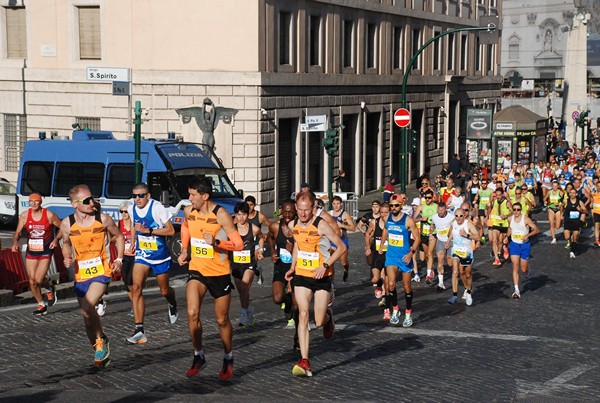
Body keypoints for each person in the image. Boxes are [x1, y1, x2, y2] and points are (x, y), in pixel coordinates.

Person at [177, 177, 244, 381]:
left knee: (222, 319)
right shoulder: (189, 211)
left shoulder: (221, 214)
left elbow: (239, 245)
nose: (189, 199)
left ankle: (228, 356)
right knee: (192, 312)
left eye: (193, 195)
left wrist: (217, 243)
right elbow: (186, 227)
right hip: (197, 269)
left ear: (205, 196)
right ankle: (198, 355)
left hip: (219, 272)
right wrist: (184, 249)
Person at [59, 185, 125, 368]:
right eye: (86, 200)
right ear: (74, 204)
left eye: (93, 199)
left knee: (88, 306)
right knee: (86, 315)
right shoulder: (66, 223)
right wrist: (67, 256)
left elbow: (119, 237)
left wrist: (119, 259)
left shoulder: (102, 219)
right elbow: (65, 243)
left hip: (101, 271)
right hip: (81, 274)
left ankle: (101, 342)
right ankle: (99, 344)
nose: (91, 203)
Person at [285, 192, 346, 377]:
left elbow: (341, 247)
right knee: (302, 315)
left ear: (313, 208)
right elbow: (297, 245)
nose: (303, 214)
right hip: (302, 276)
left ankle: (328, 317)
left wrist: (325, 265)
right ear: (296, 208)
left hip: (321, 277)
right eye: (300, 210)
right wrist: (292, 266)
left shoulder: (321, 225)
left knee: (318, 322)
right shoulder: (292, 224)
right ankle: (304, 361)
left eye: (307, 210)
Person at [126, 183, 178, 345]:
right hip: (142, 254)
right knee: (136, 287)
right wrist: (133, 242)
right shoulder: (131, 208)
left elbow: (170, 231)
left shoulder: (157, 208)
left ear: (147, 196)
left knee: (164, 290)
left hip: (159, 255)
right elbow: (135, 225)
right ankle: (139, 329)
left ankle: (172, 302)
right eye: (135, 196)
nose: (137, 199)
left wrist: (149, 231)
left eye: (141, 195)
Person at [12, 192, 62, 315]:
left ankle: (49, 289)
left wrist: (56, 240)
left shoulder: (49, 215)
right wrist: (14, 242)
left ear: (40, 202)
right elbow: (18, 232)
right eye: (31, 201)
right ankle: (41, 304)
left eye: (36, 201)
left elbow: (63, 227)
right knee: (32, 281)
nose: (33, 203)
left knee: (39, 279)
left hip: (45, 250)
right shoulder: (25, 215)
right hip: (32, 251)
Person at [379, 194, 421, 326]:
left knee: (406, 286)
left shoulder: (408, 220)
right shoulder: (388, 218)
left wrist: (411, 253)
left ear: (401, 206)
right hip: (391, 256)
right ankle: (396, 309)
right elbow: (386, 231)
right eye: (391, 205)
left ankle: (408, 312)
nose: (394, 207)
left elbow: (417, 238)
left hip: (404, 257)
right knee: (390, 284)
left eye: (396, 205)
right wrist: (382, 244)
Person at [231, 202, 264, 326]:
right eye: (238, 215)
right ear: (235, 215)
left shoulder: (254, 228)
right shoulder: (232, 229)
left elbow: (261, 238)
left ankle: (244, 313)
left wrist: (260, 250)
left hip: (249, 263)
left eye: (243, 214)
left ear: (247, 215)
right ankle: (248, 309)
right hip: (235, 264)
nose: (241, 218)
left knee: (245, 287)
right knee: (241, 292)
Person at [267, 199, 297, 328]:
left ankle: (294, 320)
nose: (287, 215)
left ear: (295, 211)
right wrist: (273, 251)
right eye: (285, 212)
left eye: (290, 212)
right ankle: (287, 303)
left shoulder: (299, 228)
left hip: (296, 267)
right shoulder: (275, 226)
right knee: (277, 298)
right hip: (281, 266)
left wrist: (294, 249)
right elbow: (269, 237)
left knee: (297, 303)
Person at [445, 208, 480, 306]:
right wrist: (448, 242)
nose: (458, 218)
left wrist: (466, 235)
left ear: (464, 216)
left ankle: (469, 291)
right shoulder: (453, 223)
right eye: (456, 216)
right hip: (456, 250)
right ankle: (454, 295)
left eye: (461, 216)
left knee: (468, 274)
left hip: (467, 252)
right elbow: (451, 233)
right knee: (455, 271)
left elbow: (478, 237)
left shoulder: (468, 224)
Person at [507, 203, 539, 299]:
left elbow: (536, 230)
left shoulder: (526, 219)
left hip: (525, 245)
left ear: (521, 210)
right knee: (515, 266)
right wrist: (506, 237)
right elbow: (510, 228)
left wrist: (527, 235)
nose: (516, 211)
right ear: (512, 210)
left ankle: (527, 271)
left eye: (518, 209)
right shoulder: (510, 219)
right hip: (514, 245)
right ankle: (517, 290)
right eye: (514, 209)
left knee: (523, 269)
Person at [365, 202, 390, 313]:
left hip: (388, 254)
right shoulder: (374, 222)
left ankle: (384, 299)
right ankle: (378, 286)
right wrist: (367, 247)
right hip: (377, 254)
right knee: (375, 278)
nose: (384, 214)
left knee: (384, 276)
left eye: (386, 212)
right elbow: (367, 234)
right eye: (382, 212)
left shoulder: (392, 224)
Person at [241, 195, 271, 284]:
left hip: (257, 243)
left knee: (252, 260)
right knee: (246, 265)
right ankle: (257, 270)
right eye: (247, 205)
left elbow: (272, 226)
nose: (249, 207)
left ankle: (254, 270)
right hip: (245, 243)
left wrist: (267, 236)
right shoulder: (242, 216)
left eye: (251, 205)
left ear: (255, 205)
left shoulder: (260, 216)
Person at [114, 201, 136, 317]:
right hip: (123, 256)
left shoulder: (135, 224)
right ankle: (134, 303)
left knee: (133, 281)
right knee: (127, 282)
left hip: (135, 256)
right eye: (121, 211)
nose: (123, 214)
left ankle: (136, 305)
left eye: (125, 211)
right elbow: (115, 237)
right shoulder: (119, 224)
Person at [329, 195, 356, 282]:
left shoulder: (344, 214)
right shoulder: (329, 214)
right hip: (332, 242)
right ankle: (332, 284)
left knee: (343, 262)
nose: (336, 206)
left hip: (342, 241)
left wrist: (342, 225)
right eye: (334, 204)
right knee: (330, 264)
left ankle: (346, 268)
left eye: (338, 204)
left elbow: (353, 228)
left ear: (341, 204)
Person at [430, 202, 454, 290]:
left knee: (450, 261)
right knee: (440, 261)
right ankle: (440, 283)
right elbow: (432, 225)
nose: (440, 212)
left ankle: (454, 274)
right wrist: (431, 234)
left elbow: (455, 227)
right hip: (440, 241)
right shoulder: (434, 217)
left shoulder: (451, 217)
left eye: (442, 210)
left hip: (451, 241)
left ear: (445, 209)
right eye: (439, 210)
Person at [488, 188, 512, 266]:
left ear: (502, 195)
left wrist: (506, 215)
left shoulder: (507, 203)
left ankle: (505, 248)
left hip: (504, 224)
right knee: (495, 240)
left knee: (503, 241)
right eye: (496, 195)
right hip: (496, 224)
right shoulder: (494, 201)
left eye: (499, 195)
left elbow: (513, 212)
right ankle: (497, 258)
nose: (498, 197)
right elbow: (490, 209)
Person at [563, 187, 587, 259]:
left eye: (574, 193)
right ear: (569, 194)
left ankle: (572, 251)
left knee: (575, 237)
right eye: (571, 193)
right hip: (567, 221)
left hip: (576, 222)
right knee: (567, 237)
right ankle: (570, 242)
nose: (572, 194)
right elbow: (560, 207)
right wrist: (562, 213)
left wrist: (581, 210)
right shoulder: (566, 201)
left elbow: (586, 211)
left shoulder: (579, 202)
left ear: (576, 194)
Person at [544, 180, 564, 245]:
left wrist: (559, 204)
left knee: (557, 226)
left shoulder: (560, 192)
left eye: (556, 186)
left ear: (558, 186)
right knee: (551, 224)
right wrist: (545, 201)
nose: (554, 187)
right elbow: (545, 198)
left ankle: (561, 222)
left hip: (558, 210)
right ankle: (554, 238)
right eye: (553, 186)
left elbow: (564, 202)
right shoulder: (549, 192)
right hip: (551, 209)